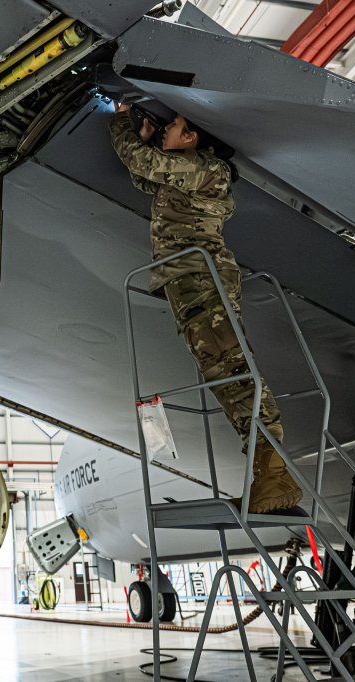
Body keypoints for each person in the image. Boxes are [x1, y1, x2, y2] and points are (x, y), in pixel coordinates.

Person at [110, 103, 301, 514]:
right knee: (222, 374)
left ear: (193, 137)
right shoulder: (190, 174)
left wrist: (122, 120)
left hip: (201, 281)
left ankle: (275, 472)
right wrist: (143, 143)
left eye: (173, 126)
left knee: (232, 369)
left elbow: (141, 161)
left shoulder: (206, 169)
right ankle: (268, 473)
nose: (166, 131)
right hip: (190, 282)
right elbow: (149, 176)